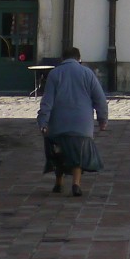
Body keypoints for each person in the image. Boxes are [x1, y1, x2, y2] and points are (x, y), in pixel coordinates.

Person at [35, 45, 109, 196]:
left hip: (58, 123)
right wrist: (102, 119)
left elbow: (47, 101)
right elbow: (100, 99)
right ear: (79, 58)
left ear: (62, 59)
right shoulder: (87, 73)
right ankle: (76, 184)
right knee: (78, 153)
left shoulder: (55, 74)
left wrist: (43, 121)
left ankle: (59, 182)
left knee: (58, 152)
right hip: (82, 125)